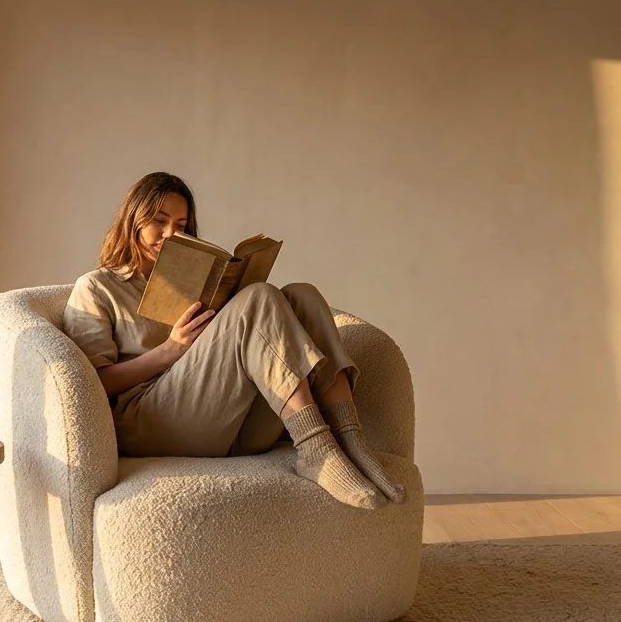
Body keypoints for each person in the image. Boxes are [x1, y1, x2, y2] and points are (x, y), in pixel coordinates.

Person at [61, 172, 405, 510]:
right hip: (150, 424)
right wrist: (170, 351)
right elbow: (91, 384)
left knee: (302, 295)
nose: (169, 234)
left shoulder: (193, 284)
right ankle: (315, 448)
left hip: (226, 424)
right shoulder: (96, 288)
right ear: (133, 220)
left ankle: (349, 438)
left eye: (181, 226)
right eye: (158, 220)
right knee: (259, 298)